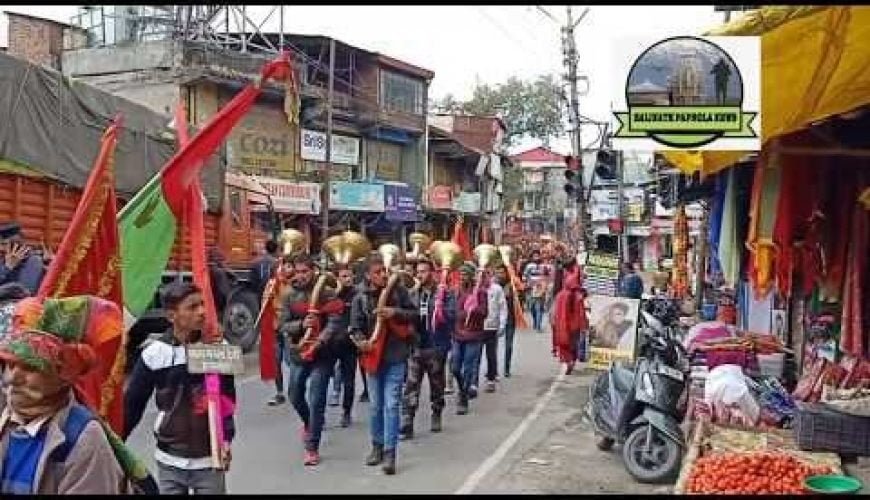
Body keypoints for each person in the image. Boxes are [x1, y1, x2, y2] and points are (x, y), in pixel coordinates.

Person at [0, 296, 157, 494]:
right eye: (9, 365)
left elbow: (133, 405)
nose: (13, 377)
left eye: (30, 368)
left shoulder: (83, 439)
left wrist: (211, 385)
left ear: (62, 376)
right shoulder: (6, 419)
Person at [125, 282, 236, 494]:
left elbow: (227, 401)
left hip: (209, 460)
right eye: (192, 307)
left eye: (202, 304)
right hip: (169, 461)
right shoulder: (154, 354)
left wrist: (226, 439)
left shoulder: (218, 349)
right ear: (171, 316)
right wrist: (114, 445)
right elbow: (132, 407)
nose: (202, 312)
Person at [349, 255, 416, 475]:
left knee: (391, 404)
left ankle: (390, 452)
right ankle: (376, 445)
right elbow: (355, 326)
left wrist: (394, 312)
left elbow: (414, 315)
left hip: (396, 355)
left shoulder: (398, 291)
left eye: (384, 271)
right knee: (376, 406)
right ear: (368, 275)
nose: (383, 275)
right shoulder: (360, 297)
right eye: (377, 272)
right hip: (372, 357)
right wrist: (361, 342)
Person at [278, 253, 343, 466]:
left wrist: (319, 341)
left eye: (305, 271)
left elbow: (334, 323)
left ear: (313, 270)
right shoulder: (288, 295)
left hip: (322, 354)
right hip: (299, 353)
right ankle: (309, 423)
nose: (301, 276)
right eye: (297, 272)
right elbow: (282, 325)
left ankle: (312, 447)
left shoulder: (328, 292)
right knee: (294, 394)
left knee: (317, 398)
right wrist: (301, 326)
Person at [400, 258, 456, 440]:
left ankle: (437, 412)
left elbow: (452, 316)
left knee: (436, 385)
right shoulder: (412, 294)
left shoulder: (444, 294)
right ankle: (408, 421)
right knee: (411, 385)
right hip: (416, 347)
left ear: (432, 273)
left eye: (424, 271)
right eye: (418, 272)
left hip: (435, 346)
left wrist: (440, 309)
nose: (420, 275)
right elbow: (406, 315)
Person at [450, 263, 488, 415]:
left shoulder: (481, 292)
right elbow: (452, 311)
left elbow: (484, 312)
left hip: (474, 336)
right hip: (457, 335)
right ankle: (461, 388)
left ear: (472, 276)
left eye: (466, 274)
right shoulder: (456, 292)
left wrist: (475, 308)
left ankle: (463, 397)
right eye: (461, 274)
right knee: (455, 368)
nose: (463, 277)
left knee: (468, 367)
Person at [328, 264, 359, 428]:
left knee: (349, 380)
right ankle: (320, 414)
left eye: (349, 276)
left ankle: (347, 411)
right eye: (344, 276)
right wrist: (336, 293)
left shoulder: (357, 294)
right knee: (324, 378)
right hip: (331, 343)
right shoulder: (331, 294)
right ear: (337, 278)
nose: (347, 279)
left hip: (349, 344)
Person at [550, 269, 588, 375]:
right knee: (574, 345)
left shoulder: (561, 295)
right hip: (575, 326)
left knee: (564, 345)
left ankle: (568, 361)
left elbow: (555, 312)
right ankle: (572, 361)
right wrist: (584, 325)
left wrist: (554, 323)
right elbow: (581, 312)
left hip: (563, 325)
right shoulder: (579, 295)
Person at [478, 266, 507, 394]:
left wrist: (502, 325)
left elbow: (502, 307)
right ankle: (473, 381)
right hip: (477, 327)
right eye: (480, 275)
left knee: (491, 354)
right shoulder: (475, 289)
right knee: (475, 355)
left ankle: (490, 379)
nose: (483, 278)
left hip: (491, 327)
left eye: (485, 275)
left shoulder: (496, 289)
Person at [0, 222, 45, 295]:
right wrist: (7, 268)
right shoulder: (4, 261)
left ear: (17, 245)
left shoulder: (33, 262)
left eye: (4, 244)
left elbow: (24, 292)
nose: (1, 248)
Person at [495, 264, 518, 378]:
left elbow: (520, 299)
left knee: (508, 345)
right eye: (498, 272)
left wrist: (515, 291)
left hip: (510, 319)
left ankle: (506, 368)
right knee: (492, 347)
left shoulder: (512, 285)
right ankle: (493, 369)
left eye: (502, 272)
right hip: (495, 320)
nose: (500, 275)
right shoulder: (493, 286)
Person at [207, 247, 236, 319]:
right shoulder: (220, 272)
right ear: (219, 260)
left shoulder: (209, 269)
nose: (225, 262)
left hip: (211, 301)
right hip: (218, 305)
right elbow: (224, 292)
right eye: (223, 260)